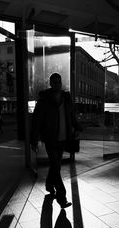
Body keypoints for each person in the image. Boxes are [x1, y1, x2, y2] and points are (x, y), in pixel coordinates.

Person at [30, 73, 82, 209]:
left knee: (55, 166)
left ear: (61, 83)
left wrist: (77, 127)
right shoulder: (44, 101)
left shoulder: (66, 98)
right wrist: (34, 140)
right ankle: (61, 197)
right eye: (54, 82)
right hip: (50, 139)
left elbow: (71, 115)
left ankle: (48, 184)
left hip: (64, 139)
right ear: (51, 84)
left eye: (59, 81)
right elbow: (36, 121)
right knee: (55, 166)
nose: (57, 84)